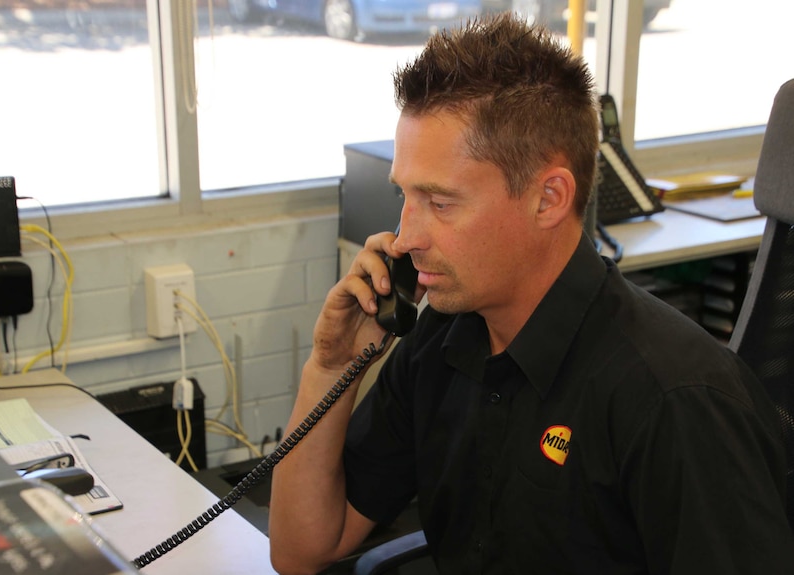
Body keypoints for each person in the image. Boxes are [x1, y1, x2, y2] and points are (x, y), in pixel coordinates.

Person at [268, 13, 794, 575]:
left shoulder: (676, 402)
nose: (406, 237)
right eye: (406, 197)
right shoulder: (441, 343)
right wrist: (333, 366)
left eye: (440, 203)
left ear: (548, 199)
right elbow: (301, 551)